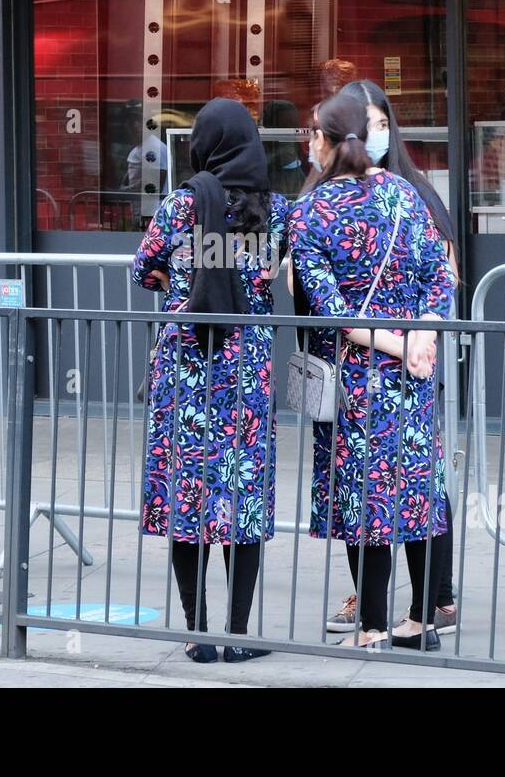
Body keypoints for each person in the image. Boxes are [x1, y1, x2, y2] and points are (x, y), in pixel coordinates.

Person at [289, 91, 456, 649]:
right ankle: (420, 619)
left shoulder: (311, 210)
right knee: (414, 491)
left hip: (354, 378)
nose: (310, 143)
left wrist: (393, 342)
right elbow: (440, 275)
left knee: (361, 500)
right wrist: (422, 335)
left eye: (314, 134)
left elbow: (330, 308)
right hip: (412, 375)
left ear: (328, 142)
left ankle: (371, 626)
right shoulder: (405, 194)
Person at [132, 98, 289, 663]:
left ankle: (198, 633)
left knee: (186, 495)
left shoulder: (181, 205)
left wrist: (183, 286)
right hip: (246, 369)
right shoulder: (276, 211)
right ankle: (239, 635)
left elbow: (142, 270)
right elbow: (275, 269)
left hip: (187, 367)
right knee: (242, 497)